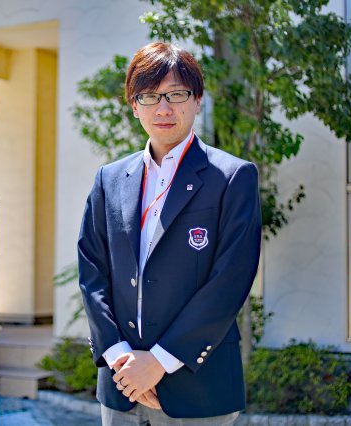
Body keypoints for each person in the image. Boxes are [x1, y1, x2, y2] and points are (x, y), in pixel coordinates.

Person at [77, 42, 262, 425]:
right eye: (149, 96)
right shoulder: (110, 179)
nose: (163, 108)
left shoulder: (232, 177)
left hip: (198, 388)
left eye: (176, 94)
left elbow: (229, 281)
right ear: (134, 105)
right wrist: (120, 359)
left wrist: (159, 362)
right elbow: (92, 272)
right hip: (121, 386)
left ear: (197, 100)